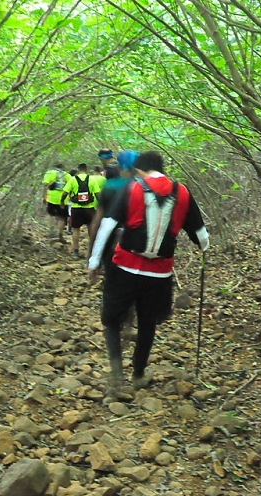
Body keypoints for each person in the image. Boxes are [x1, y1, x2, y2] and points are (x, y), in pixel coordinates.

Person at [88, 151, 209, 392]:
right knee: (147, 322)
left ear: (140, 170)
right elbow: (202, 238)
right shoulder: (181, 192)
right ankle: (138, 373)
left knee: (112, 320)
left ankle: (116, 374)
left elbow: (107, 226)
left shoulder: (132, 188)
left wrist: (94, 263)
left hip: (124, 268)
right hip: (160, 273)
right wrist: (204, 248)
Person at [61, 163, 102, 258]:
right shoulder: (91, 179)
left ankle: (75, 251)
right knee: (91, 229)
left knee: (76, 230)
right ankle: (92, 251)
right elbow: (97, 194)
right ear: (86, 169)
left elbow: (64, 193)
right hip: (89, 209)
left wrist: (62, 202)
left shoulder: (72, 179)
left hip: (76, 208)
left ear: (78, 170)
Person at [41, 163, 68, 241]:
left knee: (51, 214)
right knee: (62, 217)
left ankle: (51, 231)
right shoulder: (67, 175)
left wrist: (44, 196)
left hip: (51, 197)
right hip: (63, 199)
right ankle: (60, 234)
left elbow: (45, 185)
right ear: (63, 168)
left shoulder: (49, 173)